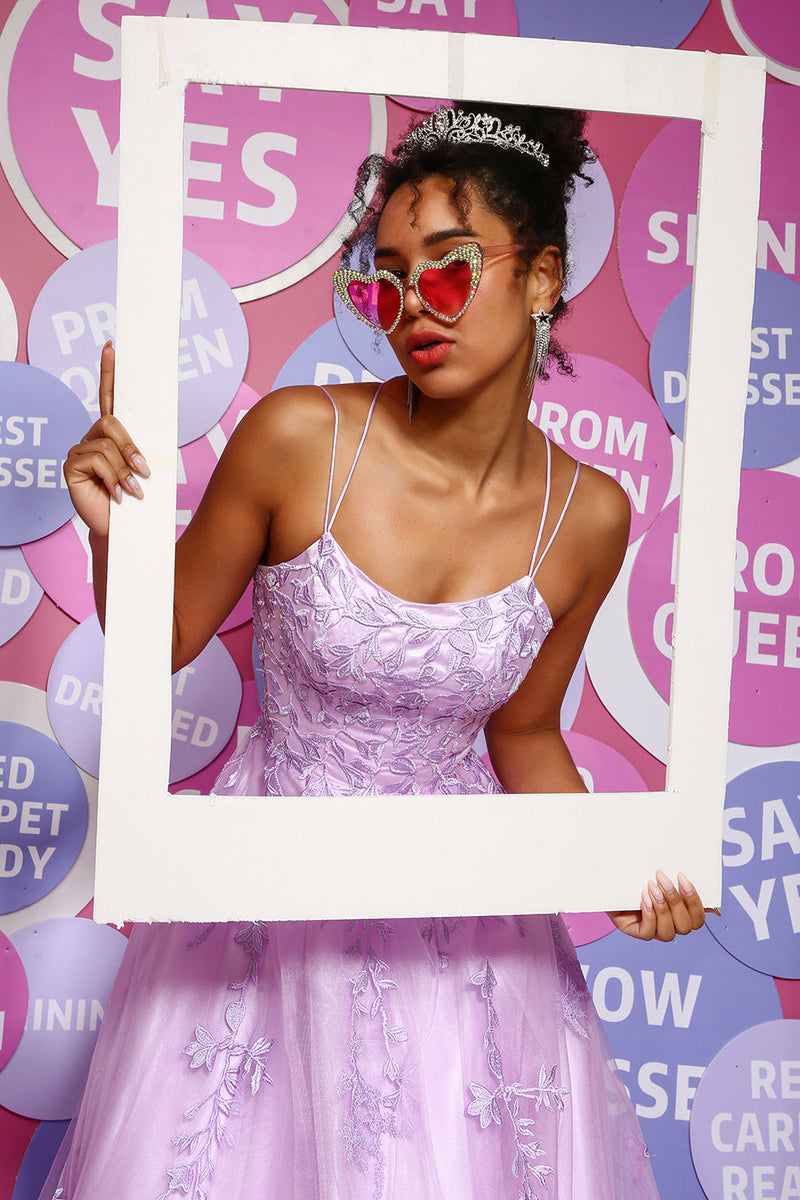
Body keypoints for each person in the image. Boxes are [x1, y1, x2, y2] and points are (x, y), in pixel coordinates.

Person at [51, 102, 705, 1200]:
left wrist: (624, 874)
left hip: (468, 937)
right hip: (270, 908)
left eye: (450, 270)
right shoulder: (300, 436)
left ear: (541, 278)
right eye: (384, 281)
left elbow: (525, 732)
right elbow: (159, 639)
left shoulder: (589, 512)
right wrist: (110, 529)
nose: (413, 310)